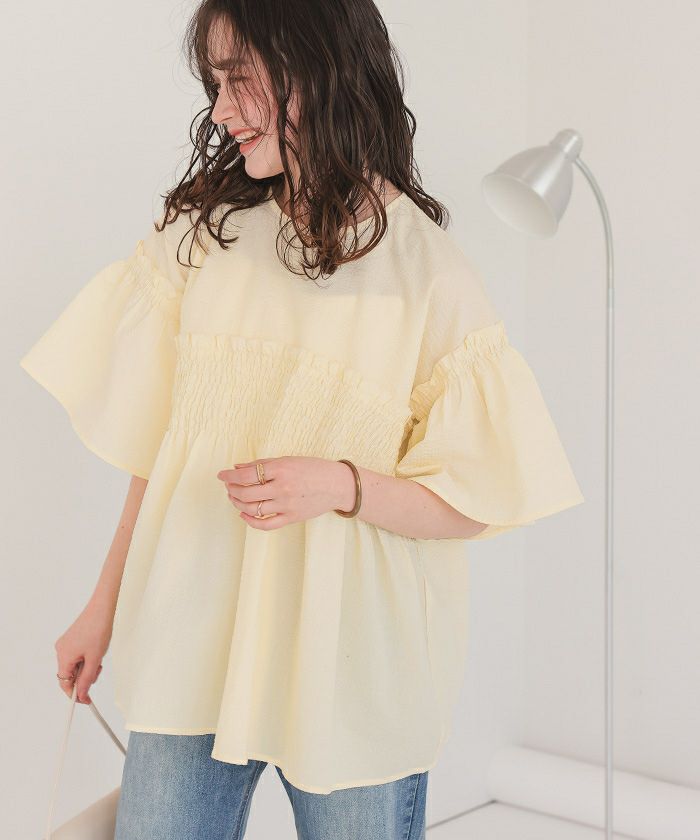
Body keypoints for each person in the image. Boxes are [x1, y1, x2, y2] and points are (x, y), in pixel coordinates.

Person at [19, 1, 585, 838]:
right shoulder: (206, 239)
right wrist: (102, 606)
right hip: (192, 636)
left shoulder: (428, 275)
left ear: (316, 69)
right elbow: (162, 447)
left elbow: (477, 500)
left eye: (240, 78)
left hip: (351, 667)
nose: (220, 108)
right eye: (214, 83)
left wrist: (342, 486)